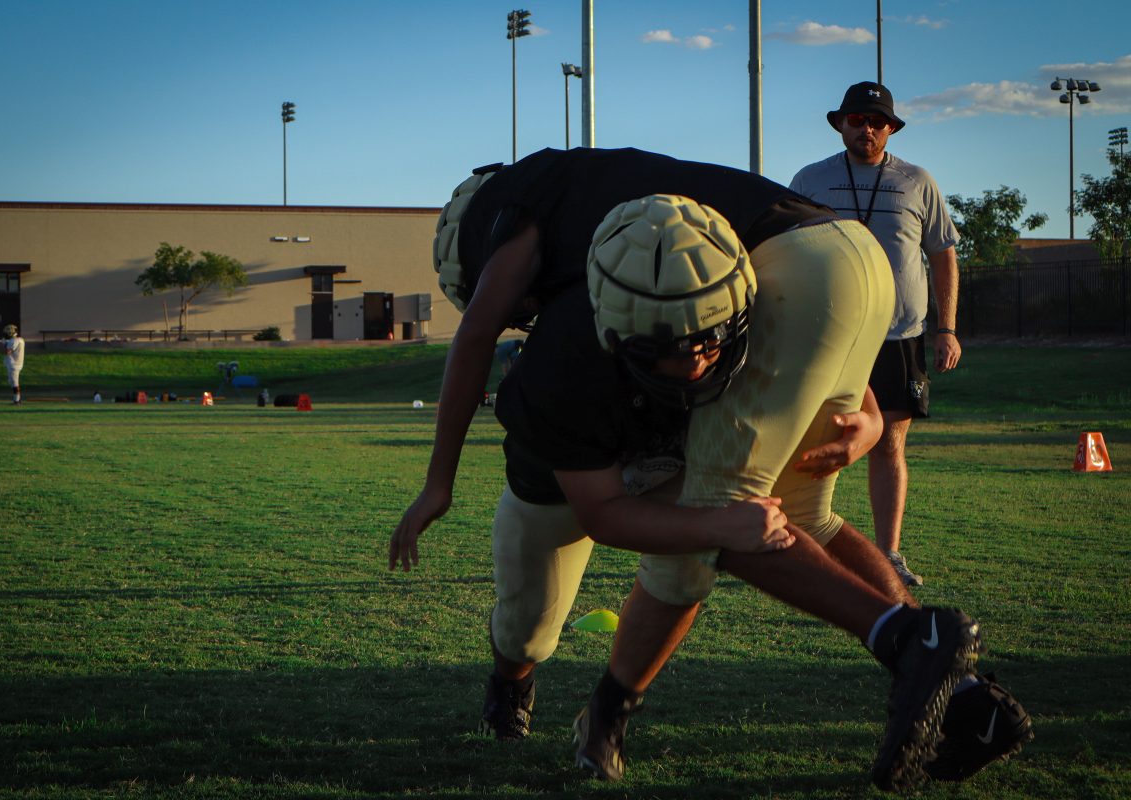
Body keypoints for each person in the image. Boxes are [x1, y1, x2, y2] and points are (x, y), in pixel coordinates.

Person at [390, 149, 1027, 789]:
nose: (699, 359)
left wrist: (861, 412)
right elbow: (602, 506)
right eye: (669, 344)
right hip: (852, 262)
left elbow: (800, 310)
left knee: (727, 517)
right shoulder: (567, 351)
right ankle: (955, 687)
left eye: (712, 335)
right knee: (537, 626)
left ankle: (910, 646)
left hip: (808, 274)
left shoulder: (690, 268)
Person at [790, 82, 962, 588]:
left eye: (876, 121)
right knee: (821, 434)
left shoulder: (917, 181)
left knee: (888, 440)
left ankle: (888, 553)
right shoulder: (810, 179)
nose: (865, 128)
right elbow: (789, 248)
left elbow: (943, 255)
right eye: (855, 119)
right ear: (840, 123)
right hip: (831, 331)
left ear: (891, 128)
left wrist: (947, 328)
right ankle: (804, 541)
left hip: (900, 333)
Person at [0, 323, 25, 405]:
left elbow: (7, 352)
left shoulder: (13, 341)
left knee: (15, 383)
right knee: (12, 382)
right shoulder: (20, 339)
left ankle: (17, 400)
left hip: (14, 364)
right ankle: (17, 399)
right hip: (17, 363)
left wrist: (4, 344)